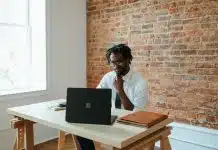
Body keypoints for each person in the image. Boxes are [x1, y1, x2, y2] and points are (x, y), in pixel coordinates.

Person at [75, 43, 148, 150]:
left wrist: (120, 90)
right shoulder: (108, 77)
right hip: (110, 118)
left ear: (128, 60)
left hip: (130, 122)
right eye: (112, 62)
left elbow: (136, 113)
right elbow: (96, 96)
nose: (115, 66)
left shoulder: (140, 83)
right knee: (80, 130)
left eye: (119, 61)